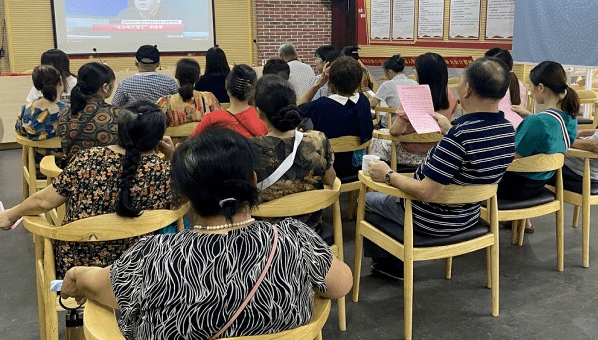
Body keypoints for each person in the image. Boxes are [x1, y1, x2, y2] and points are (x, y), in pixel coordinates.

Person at [57, 127, 352, 339]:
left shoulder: (153, 256)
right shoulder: (294, 240)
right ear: (252, 180)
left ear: (184, 194)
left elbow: (95, 286)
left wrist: (75, 277)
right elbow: (341, 285)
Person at [365, 58, 516, 279]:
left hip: (429, 219)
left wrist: (387, 174)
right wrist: (450, 130)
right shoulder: (507, 131)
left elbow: (425, 192)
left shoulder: (460, 136)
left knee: (368, 200)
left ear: (467, 89)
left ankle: (391, 265)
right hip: (469, 216)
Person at [1, 101, 180, 278]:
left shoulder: (87, 159)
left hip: (79, 269)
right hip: (142, 270)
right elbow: (184, 203)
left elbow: (43, 202)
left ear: (118, 129)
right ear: (159, 139)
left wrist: (11, 215)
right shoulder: (167, 173)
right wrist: (172, 157)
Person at [499, 61, 579, 231]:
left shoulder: (536, 122)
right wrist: (529, 117)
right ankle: (523, 221)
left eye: (531, 86)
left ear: (541, 87)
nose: (530, 91)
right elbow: (547, 139)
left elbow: (513, 157)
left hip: (513, 189)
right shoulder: (570, 119)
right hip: (538, 184)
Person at [249, 75, 335, 230]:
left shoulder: (250, 149)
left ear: (258, 112)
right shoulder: (318, 140)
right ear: (293, 105)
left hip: (268, 238)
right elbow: (330, 180)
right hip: (311, 231)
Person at [370, 53, 458, 166]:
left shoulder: (412, 95)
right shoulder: (451, 94)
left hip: (409, 152)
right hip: (437, 152)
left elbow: (394, 131)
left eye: (415, 69)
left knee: (375, 138)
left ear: (422, 73)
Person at [299, 57, 373, 180]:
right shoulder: (364, 101)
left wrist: (317, 84)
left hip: (328, 169)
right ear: (359, 80)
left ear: (331, 82)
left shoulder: (322, 104)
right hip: (357, 166)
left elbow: (296, 109)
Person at [57, 62, 120, 165]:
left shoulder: (63, 114)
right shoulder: (118, 114)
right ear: (105, 87)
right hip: (108, 176)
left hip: (73, 175)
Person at [192, 64, 267, 138]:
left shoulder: (212, 120)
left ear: (227, 88)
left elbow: (189, 145)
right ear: (253, 91)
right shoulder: (263, 121)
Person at [16, 65, 67, 165]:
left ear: (36, 86)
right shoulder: (67, 111)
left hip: (36, 165)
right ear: (60, 82)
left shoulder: (26, 110)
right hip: (63, 166)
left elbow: (19, 131)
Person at [157, 58, 220, 127]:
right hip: (205, 137)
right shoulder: (209, 98)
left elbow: (155, 127)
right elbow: (221, 123)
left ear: (176, 76)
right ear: (198, 77)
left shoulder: (165, 102)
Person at [112, 45, 178, 107]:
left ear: (135, 63)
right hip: (162, 118)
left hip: (134, 119)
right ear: (158, 64)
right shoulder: (170, 82)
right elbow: (179, 103)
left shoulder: (125, 84)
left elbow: (115, 106)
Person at [369, 54, 418, 127]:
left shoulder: (387, 84)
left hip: (392, 124)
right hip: (411, 124)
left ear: (389, 72)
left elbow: (372, 104)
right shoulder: (415, 83)